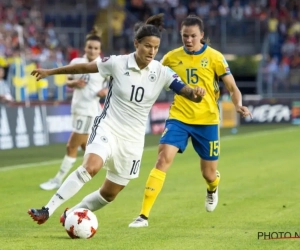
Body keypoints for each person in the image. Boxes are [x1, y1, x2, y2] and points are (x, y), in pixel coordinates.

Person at [27, 13, 206, 225]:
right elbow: (84, 67)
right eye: (147, 46)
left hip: (133, 140)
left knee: (109, 194)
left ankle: (71, 213)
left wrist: (196, 93)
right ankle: (47, 209)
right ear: (136, 43)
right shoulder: (117, 63)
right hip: (108, 127)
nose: (152, 51)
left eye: (156, 48)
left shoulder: (162, 72)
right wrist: (50, 72)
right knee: (90, 167)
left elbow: (187, 92)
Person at [128, 15, 252, 228]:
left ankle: (212, 188)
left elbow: (232, 88)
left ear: (202, 35)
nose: (189, 40)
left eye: (193, 36)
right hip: (179, 117)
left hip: (208, 121)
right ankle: (143, 216)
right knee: (162, 159)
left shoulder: (215, 57)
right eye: (185, 36)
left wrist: (238, 104)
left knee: (209, 173)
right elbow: (151, 74)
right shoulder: (170, 58)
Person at [39, 28, 108, 191]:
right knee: (87, 147)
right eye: (90, 47)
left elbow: (110, 84)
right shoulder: (77, 62)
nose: (92, 50)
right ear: (85, 47)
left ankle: (58, 179)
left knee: (72, 146)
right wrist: (74, 83)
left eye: (95, 48)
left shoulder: (103, 65)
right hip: (77, 108)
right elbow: (68, 80)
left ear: (100, 50)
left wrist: (104, 91)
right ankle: (109, 172)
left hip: (88, 111)